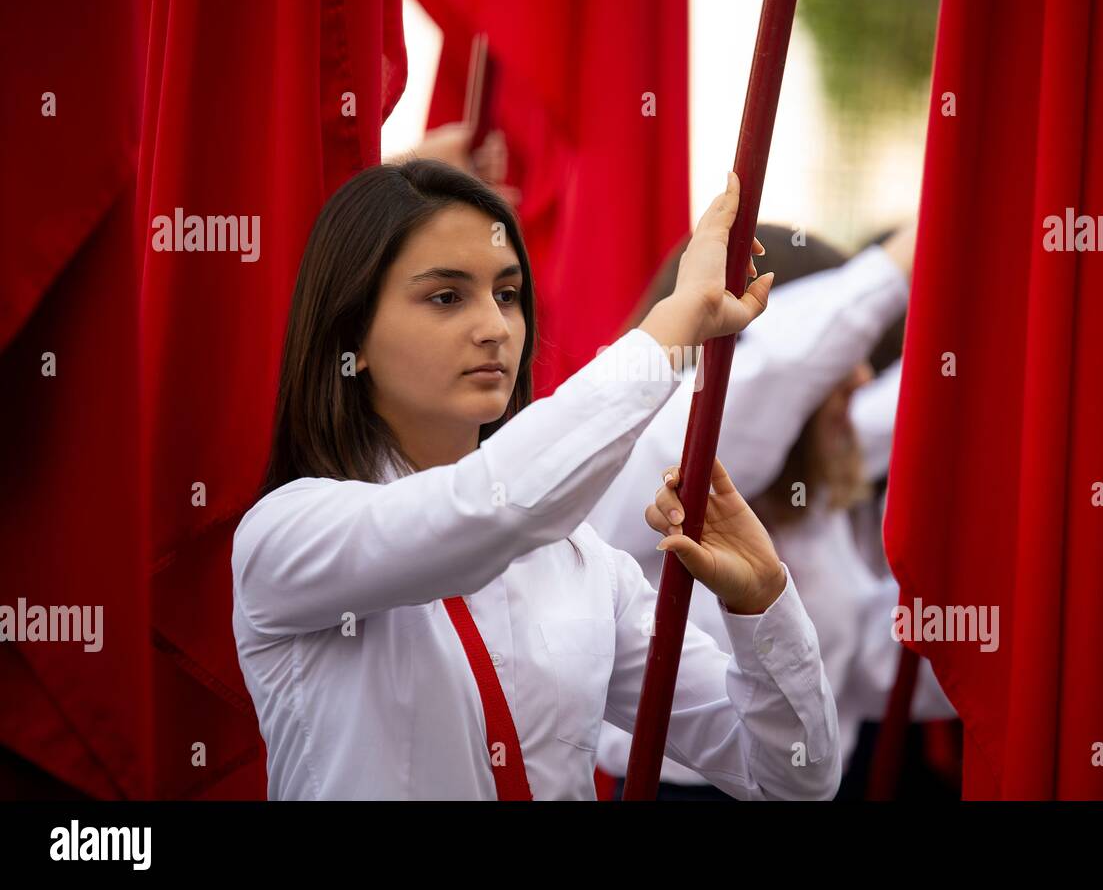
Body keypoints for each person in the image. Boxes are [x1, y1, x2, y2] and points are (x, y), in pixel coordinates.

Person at [230, 159, 843, 799]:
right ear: (349, 330)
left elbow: (793, 777)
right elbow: (479, 515)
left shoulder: (583, 566)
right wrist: (675, 325)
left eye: (508, 294)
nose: (495, 328)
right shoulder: (285, 535)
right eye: (446, 296)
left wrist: (763, 602)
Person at [589, 224, 953, 798]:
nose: (861, 376)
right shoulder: (644, 459)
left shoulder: (807, 488)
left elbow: (852, 662)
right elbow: (778, 373)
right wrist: (934, 231)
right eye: (842, 356)